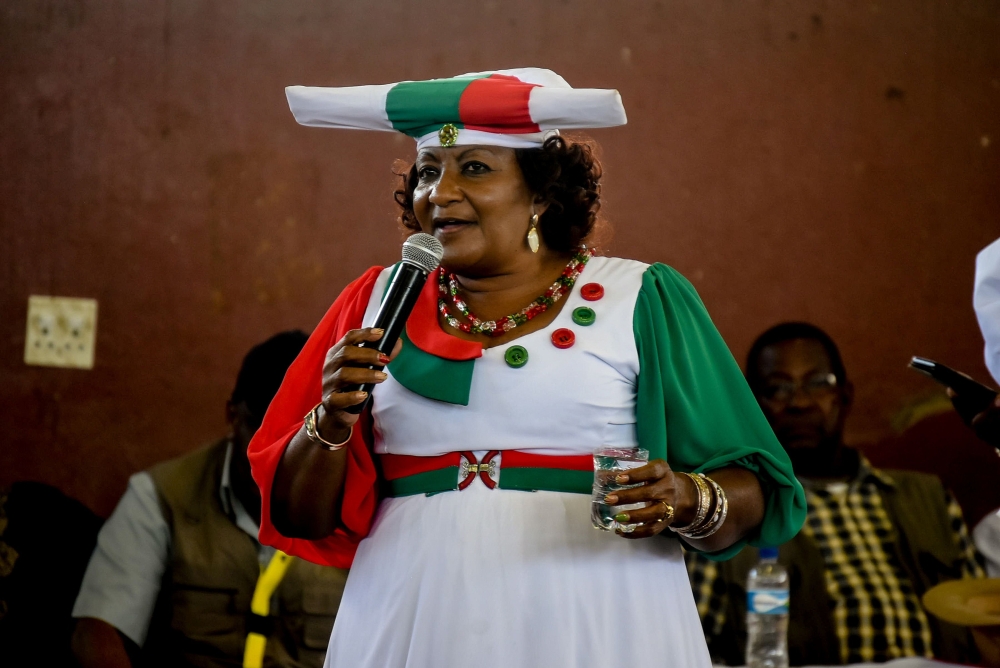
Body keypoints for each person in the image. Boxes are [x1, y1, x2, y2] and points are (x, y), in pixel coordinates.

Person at [248, 68, 806, 667]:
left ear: (541, 191)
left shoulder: (639, 295)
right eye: (429, 170)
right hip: (409, 612)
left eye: (475, 168)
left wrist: (688, 499)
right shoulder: (377, 301)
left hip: (601, 617)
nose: (440, 192)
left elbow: (752, 489)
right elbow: (299, 518)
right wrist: (331, 418)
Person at [687, 322, 986, 666]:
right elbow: (694, 650)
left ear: (845, 395)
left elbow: (985, 623)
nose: (799, 402)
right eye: (777, 388)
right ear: (753, 408)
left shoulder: (928, 497)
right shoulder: (731, 513)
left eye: (818, 383)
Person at [71, 331, 348, 668]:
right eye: (263, 433)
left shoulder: (362, 510)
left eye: (296, 441)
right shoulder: (161, 496)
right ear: (232, 416)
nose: (274, 457)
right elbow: (98, 630)